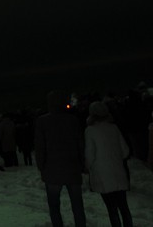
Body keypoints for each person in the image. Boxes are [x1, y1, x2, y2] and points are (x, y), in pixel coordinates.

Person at [35, 90, 86, 227]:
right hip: (72, 167)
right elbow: (80, 144)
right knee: (77, 205)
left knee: (54, 205)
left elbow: (40, 147)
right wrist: (82, 163)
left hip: (52, 169)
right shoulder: (72, 120)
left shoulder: (42, 121)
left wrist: (41, 166)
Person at [85, 101, 133, 227]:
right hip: (118, 172)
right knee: (124, 207)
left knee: (112, 209)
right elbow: (125, 151)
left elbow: (90, 154)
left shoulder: (90, 130)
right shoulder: (114, 128)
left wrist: (88, 167)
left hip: (103, 174)